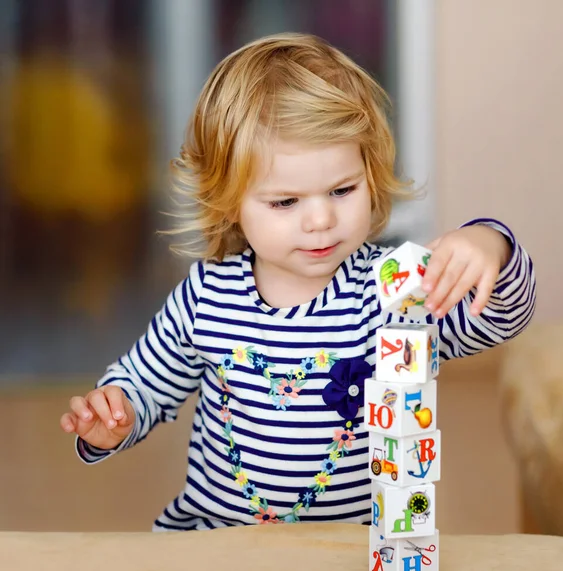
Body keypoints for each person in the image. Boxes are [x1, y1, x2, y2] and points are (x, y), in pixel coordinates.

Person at [59, 33, 536, 531]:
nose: (320, 220)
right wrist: (112, 419)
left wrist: (491, 247)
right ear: (229, 203)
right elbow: (144, 385)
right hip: (217, 548)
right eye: (285, 202)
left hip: (353, 557)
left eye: (342, 189)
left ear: (371, 175)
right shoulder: (206, 296)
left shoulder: (390, 290)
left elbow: (497, 322)